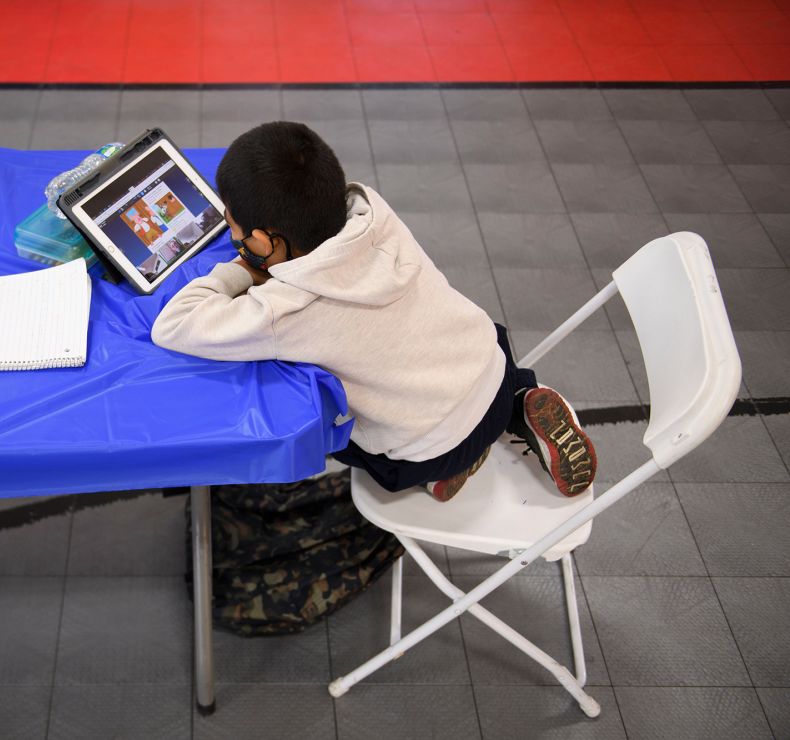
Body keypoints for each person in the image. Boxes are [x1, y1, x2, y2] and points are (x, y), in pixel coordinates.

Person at [151, 121, 597, 636]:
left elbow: (175, 326)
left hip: (432, 445)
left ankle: (446, 470)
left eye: (236, 228)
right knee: (474, 340)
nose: (231, 236)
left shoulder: (286, 306)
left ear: (270, 241)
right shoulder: (373, 216)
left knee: (346, 441)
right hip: (491, 364)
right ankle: (523, 401)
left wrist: (241, 272)